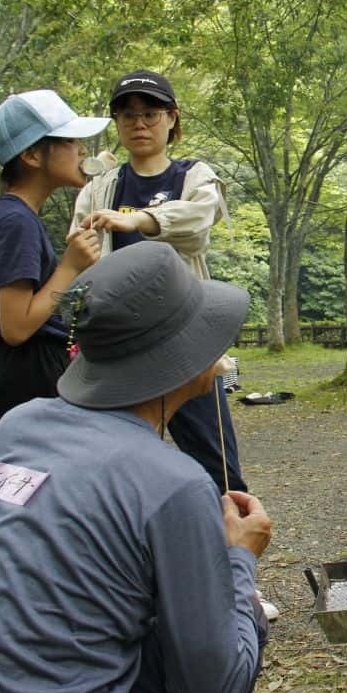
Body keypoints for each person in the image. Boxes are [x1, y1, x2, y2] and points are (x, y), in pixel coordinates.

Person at [0, 241, 270, 693]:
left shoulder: (19, 426)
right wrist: (239, 558)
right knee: (246, 618)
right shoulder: (176, 483)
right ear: (187, 359)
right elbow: (216, 691)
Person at [71, 69, 247, 494]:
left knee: (215, 461)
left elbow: (199, 222)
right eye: (127, 115)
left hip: (185, 340)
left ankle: (232, 544)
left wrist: (136, 219)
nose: (139, 124)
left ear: (172, 118)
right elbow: (81, 248)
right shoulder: (101, 186)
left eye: (150, 113)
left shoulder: (193, 176)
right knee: (118, 458)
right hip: (122, 343)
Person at [0, 89, 108, 437]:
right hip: (30, 377)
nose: (81, 150)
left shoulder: (15, 215)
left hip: (31, 373)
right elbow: (16, 328)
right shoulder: (16, 221)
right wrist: (69, 267)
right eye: (70, 140)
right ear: (31, 154)